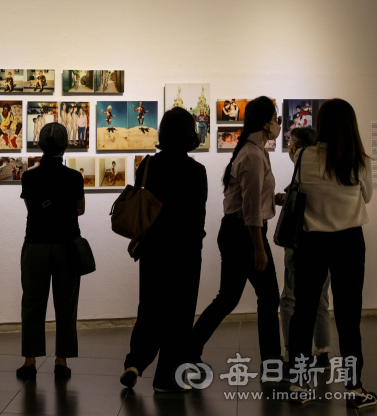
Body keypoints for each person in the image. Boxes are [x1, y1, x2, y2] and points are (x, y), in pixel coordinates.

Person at [287, 99, 375, 408]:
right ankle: (354, 389)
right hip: (349, 242)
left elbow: (297, 190)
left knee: (303, 313)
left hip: (312, 242)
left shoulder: (306, 155)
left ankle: (299, 385)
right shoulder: (359, 160)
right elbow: (366, 196)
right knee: (349, 318)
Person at [190, 96, 282, 372]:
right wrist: (259, 248)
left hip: (235, 231)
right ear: (266, 124)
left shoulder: (252, 151)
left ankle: (191, 347)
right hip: (245, 233)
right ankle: (272, 363)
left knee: (228, 298)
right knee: (268, 298)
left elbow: (249, 198)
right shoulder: (253, 155)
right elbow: (250, 209)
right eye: (276, 119)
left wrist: (273, 198)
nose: (278, 125)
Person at [121, 107, 207, 392]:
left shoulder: (148, 165)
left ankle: (135, 362)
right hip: (185, 251)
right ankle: (165, 379)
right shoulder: (197, 171)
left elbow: (142, 208)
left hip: (154, 249)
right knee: (180, 314)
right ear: (190, 134)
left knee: (150, 307)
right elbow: (198, 219)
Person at [16, 122, 85, 381]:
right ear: (66, 145)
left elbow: (31, 209)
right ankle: (62, 361)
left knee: (32, 303)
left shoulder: (29, 176)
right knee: (66, 304)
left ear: (40, 145)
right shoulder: (74, 177)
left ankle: (30, 360)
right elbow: (81, 209)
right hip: (67, 245)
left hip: (35, 243)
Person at [274, 127, 332, 369]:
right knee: (320, 297)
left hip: (300, 240)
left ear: (294, 147)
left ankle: (290, 352)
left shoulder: (301, 169)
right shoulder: (326, 168)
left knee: (289, 297)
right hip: (326, 239)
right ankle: (322, 352)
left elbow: (300, 201)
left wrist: (282, 198)